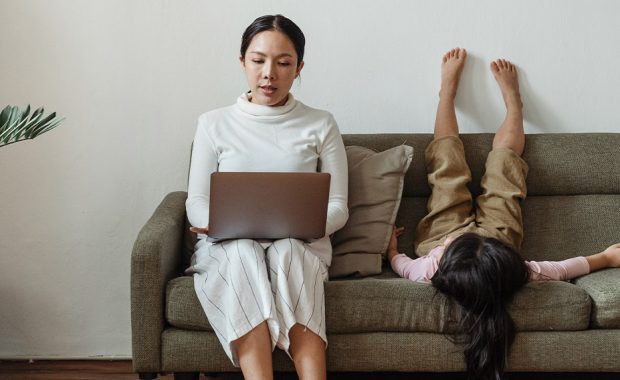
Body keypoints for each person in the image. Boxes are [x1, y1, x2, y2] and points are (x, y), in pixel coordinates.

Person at [387, 48, 620, 380]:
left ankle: (446, 94)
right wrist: (606, 259)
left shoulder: (431, 268)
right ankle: (515, 105)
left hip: (440, 236)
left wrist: (392, 249)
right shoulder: (513, 270)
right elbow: (561, 268)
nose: (467, 233)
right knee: (504, 164)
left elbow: (404, 267)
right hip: (499, 239)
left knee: (446, 164)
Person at [185, 15, 348, 380]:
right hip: (229, 246)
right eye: (258, 60)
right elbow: (196, 201)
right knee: (243, 252)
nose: (269, 73)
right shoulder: (213, 123)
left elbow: (338, 207)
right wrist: (224, 224)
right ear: (242, 61)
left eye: (283, 63)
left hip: (301, 243)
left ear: (299, 67)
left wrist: (304, 225)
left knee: (288, 249)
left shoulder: (321, 123)